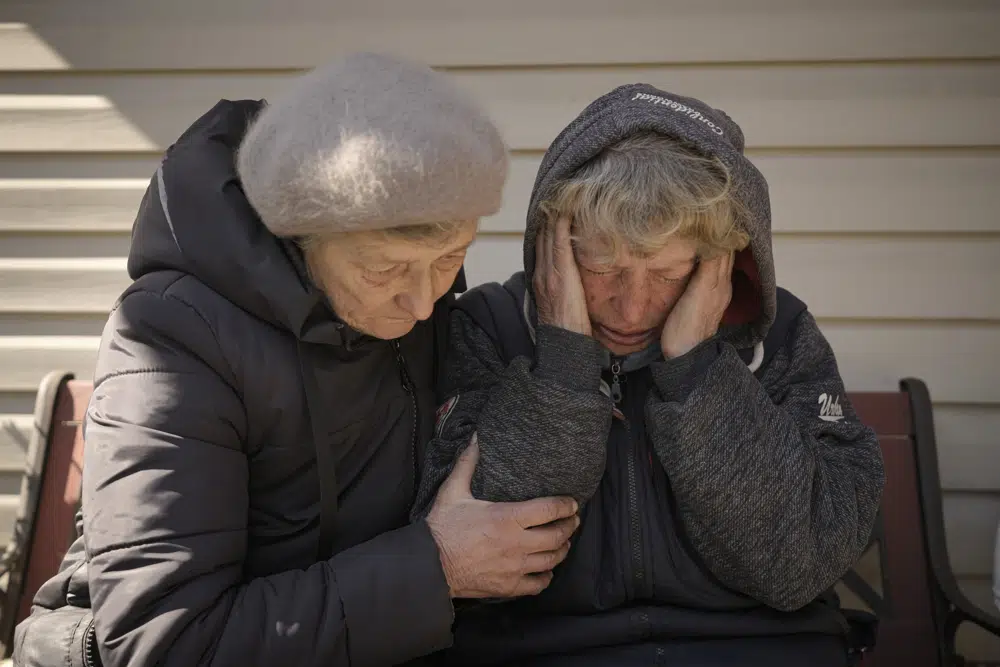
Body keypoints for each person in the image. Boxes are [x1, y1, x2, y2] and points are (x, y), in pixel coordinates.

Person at [13, 53, 582, 667]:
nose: (423, 302)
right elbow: (166, 643)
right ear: (300, 236)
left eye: (450, 259)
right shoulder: (171, 340)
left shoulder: (434, 313)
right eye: (384, 269)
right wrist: (437, 566)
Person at [412, 84, 886, 666]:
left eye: (666, 274)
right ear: (552, 247)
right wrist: (562, 363)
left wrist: (697, 370)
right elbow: (478, 565)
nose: (631, 309)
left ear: (720, 261)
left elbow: (796, 565)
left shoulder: (778, 335)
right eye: (601, 266)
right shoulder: (490, 327)